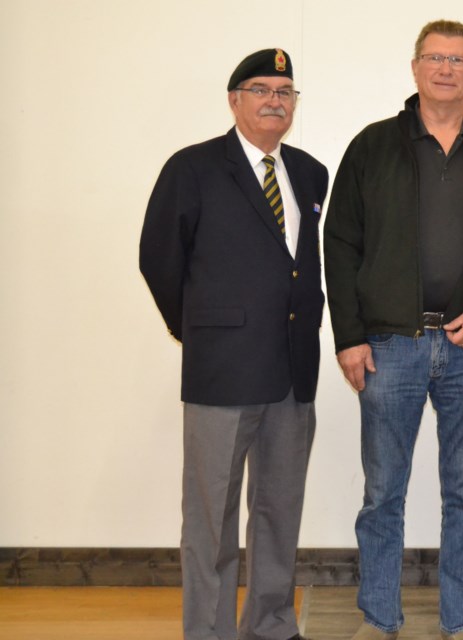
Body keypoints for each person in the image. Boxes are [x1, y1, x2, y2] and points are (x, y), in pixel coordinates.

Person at [323, 19, 463, 640]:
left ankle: (461, 623)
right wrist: (349, 336)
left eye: (459, 59)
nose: (446, 69)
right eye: (435, 58)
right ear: (415, 67)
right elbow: (339, 245)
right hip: (390, 346)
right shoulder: (372, 146)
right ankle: (378, 619)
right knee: (382, 497)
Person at [140, 48, 327, 640]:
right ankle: (211, 632)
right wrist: (197, 327)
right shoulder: (191, 168)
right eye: (261, 89)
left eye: (285, 91)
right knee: (211, 520)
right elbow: (159, 260)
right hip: (221, 374)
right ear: (234, 100)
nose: (275, 100)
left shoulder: (310, 171)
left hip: (293, 374)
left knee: (278, 512)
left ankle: (271, 625)